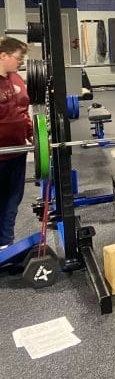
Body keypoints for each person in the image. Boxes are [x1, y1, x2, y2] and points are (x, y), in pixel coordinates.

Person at [0, 37, 33, 250]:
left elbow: (22, 113)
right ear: (3, 55)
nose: (20, 62)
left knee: (13, 199)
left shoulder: (17, 79)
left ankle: (5, 243)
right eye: (18, 58)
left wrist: (32, 134)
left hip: (18, 150)